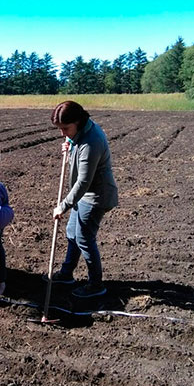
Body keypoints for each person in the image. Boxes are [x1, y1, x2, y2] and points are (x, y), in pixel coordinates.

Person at [48, 101, 118, 298]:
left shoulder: (91, 141)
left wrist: (63, 206)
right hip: (83, 195)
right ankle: (66, 274)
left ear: (77, 122)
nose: (62, 133)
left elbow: (84, 181)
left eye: (65, 128)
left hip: (96, 196)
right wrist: (70, 146)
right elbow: (77, 147)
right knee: (72, 232)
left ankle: (96, 285)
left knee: (84, 238)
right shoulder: (81, 132)